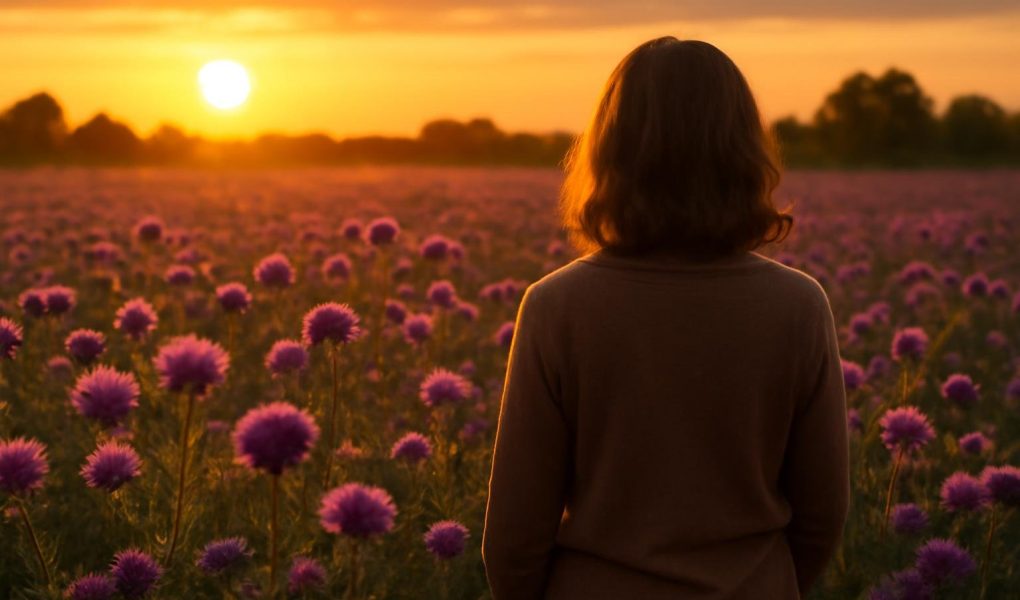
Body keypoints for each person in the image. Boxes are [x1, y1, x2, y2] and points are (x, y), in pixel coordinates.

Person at [481, 37, 849, 599]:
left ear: (609, 152)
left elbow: (514, 538)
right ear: (744, 152)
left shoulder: (557, 305)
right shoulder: (798, 305)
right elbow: (822, 515)